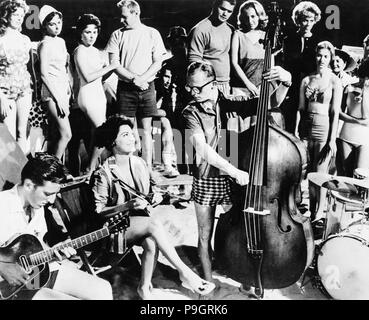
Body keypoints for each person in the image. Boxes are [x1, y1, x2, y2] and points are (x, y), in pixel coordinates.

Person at [182, 61, 292, 282]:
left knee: (239, 229)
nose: (192, 93)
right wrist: (233, 170)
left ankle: (236, 268)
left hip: (231, 180)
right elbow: (202, 150)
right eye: (189, 88)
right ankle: (208, 282)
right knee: (204, 235)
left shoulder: (230, 102)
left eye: (197, 88)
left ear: (214, 85)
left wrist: (286, 80)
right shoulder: (189, 111)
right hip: (206, 179)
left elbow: (270, 103)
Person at [90, 116, 215, 300]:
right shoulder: (104, 173)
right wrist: (126, 205)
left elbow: (150, 193)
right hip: (112, 230)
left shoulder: (139, 163)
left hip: (138, 224)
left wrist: (157, 197)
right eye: (125, 135)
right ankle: (185, 273)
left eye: (132, 134)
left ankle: (144, 288)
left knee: (151, 240)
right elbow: (98, 212)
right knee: (153, 224)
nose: (132, 138)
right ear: (113, 141)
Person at [0, 153, 113, 300]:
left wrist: (55, 253)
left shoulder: (37, 206)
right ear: (28, 185)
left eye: (54, 194)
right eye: (47, 193)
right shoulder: (2, 204)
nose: (51, 200)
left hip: (35, 274)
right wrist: (3, 267)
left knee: (102, 289)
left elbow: (36, 247)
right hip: (8, 286)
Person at [105, 0, 167, 180]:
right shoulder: (117, 35)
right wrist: (134, 79)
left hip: (147, 87)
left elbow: (158, 62)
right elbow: (114, 65)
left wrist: (143, 79)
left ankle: (147, 169)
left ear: (135, 13)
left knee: (145, 130)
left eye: (124, 17)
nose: (121, 20)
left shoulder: (151, 33)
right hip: (126, 88)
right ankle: (129, 170)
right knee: (126, 131)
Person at [295, 41, 342, 223]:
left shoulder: (334, 81)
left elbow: (335, 112)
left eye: (325, 56)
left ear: (330, 58)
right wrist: (296, 132)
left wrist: (332, 139)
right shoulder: (307, 80)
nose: (321, 59)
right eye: (319, 55)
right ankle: (306, 209)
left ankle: (319, 213)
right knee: (303, 171)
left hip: (324, 128)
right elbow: (300, 108)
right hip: (306, 126)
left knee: (320, 173)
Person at [73, 14, 118, 174]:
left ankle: (93, 168)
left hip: (98, 94)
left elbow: (100, 77)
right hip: (87, 96)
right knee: (103, 131)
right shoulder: (80, 51)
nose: (91, 36)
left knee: (96, 132)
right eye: (87, 32)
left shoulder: (95, 51)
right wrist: (110, 67)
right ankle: (90, 168)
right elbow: (88, 76)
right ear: (80, 33)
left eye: (94, 32)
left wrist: (108, 69)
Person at [281, 1, 322, 133]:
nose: (308, 24)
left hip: (310, 87)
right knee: (289, 122)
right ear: (298, 20)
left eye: (311, 20)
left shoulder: (318, 41)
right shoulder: (288, 39)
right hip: (291, 87)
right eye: (305, 20)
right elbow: (285, 64)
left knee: (306, 126)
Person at [38, 5, 72, 160]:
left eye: (59, 22)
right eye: (52, 23)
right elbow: (44, 75)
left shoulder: (61, 41)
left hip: (63, 90)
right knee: (66, 134)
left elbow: (64, 68)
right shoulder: (44, 44)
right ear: (45, 25)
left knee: (58, 134)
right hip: (52, 94)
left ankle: (56, 170)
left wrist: (69, 88)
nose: (57, 26)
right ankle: (54, 172)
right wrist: (58, 99)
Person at [0, 0, 33, 154]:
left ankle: (21, 174)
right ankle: (9, 176)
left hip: (25, 90)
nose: (20, 18)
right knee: (9, 136)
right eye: (16, 14)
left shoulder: (25, 40)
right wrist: (1, 98)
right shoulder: (1, 40)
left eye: (22, 15)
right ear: (7, 15)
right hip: (6, 92)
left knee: (22, 133)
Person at [188, 0, 236, 96]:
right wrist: (203, 87)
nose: (225, 14)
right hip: (207, 85)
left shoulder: (231, 30)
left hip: (226, 84)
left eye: (229, 11)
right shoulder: (199, 30)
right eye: (222, 9)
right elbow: (193, 61)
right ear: (214, 5)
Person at [336, 45, 369, 177]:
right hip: (346, 135)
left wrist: (365, 92)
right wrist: (357, 121)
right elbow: (338, 112)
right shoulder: (349, 88)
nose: (364, 80)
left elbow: (366, 114)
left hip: (365, 138)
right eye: (363, 76)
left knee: (361, 176)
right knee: (346, 176)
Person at [230, 0, 268, 99]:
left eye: (253, 16)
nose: (250, 21)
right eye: (246, 17)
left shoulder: (266, 36)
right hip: (241, 87)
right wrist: (248, 85)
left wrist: (264, 87)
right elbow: (234, 63)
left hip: (261, 88)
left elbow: (269, 68)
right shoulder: (238, 34)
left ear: (260, 16)